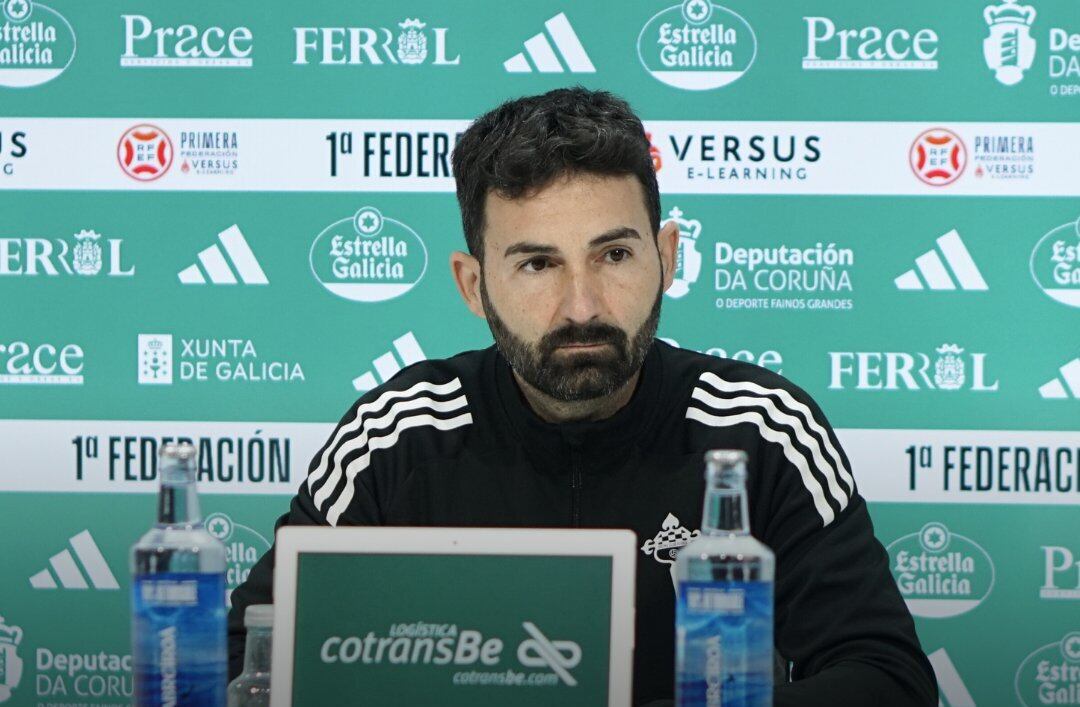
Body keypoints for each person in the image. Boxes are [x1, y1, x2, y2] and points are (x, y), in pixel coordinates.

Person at [228, 87, 938, 706]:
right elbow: (249, 656)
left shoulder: (761, 430)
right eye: (538, 263)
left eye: (615, 254)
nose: (582, 305)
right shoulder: (399, 434)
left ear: (667, 255)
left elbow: (887, 678)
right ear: (473, 285)